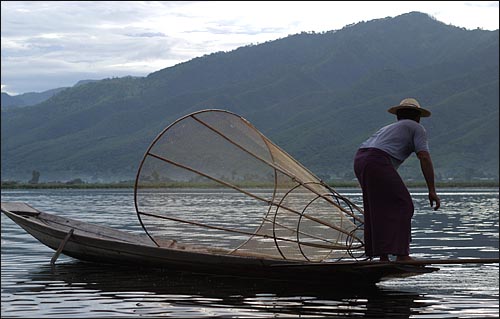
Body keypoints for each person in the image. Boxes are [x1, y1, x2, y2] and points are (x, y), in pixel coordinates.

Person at [353, 98, 440, 262]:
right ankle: (402, 255)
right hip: (377, 160)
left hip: (360, 158)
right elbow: (424, 157)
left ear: (398, 116)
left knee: (378, 208)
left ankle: (382, 256)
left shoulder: (389, 128)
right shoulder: (417, 128)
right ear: (418, 117)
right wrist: (432, 190)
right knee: (403, 204)